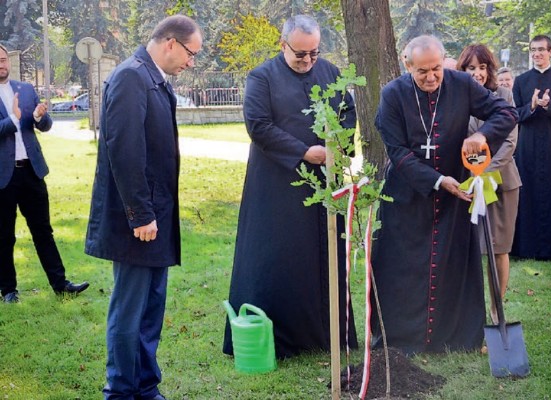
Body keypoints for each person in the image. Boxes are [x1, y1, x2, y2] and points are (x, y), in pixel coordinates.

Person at [371, 35, 518, 354]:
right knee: (405, 268)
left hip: (453, 201)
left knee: (450, 265)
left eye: (436, 68)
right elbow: (398, 153)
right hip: (407, 197)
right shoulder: (392, 95)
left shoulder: (461, 84)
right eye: (422, 71)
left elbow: (505, 115)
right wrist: (438, 181)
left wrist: (481, 134)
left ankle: (453, 337)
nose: (431, 77)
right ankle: (402, 337)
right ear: (407, 65)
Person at [223, 15, 357, 359]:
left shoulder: (331, 73)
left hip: (324, 181)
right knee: (277, 258)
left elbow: (347, 114)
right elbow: (258, 125)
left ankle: (324, 334)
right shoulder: (261, 77)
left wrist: (338, 145)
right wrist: (302, 152)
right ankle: (279, 337)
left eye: (314, 53)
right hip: (276, 185)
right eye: (301, 54)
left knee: (321, 257)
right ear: (283, 45)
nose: (309, 60)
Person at [85, 15, 202, 399]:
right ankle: (120, 390)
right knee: (130, 311)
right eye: (190, 54)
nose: (191, 63)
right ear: (171, 43)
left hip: (156, 217)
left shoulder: (154, 78)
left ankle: (145, 386)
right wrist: (141, 213)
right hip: (137, 220)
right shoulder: (130, 77)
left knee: (150, 310)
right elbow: (124, 149)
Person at [0, 44, 89, 304]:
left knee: (43, 231)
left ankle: (60, 284)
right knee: (4, 235)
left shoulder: (25, 89)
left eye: (3, 59)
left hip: (32, 171)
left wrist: (40, 117)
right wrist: (13, 119)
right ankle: (8, 290)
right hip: (3, 177)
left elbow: (45, 125)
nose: (1, 64)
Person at [457, 44, 521, 324]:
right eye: (471, 68)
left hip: (501, 182)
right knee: (467, 251)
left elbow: (509, 140)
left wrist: (485, 173)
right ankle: (469, 314)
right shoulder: (456, 97)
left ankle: (497, 312)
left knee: (498, 249)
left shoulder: (503, 94)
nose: (477, 74)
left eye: (482, 67)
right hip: (465, 185)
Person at [510, 35, 551, 260]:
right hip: (526, 145)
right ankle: (525, 247)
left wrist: (549, 106)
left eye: (540, 49)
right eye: (533, 50)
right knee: (526, 192)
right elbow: (514, 115)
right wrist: (532, 105)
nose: (536, 54)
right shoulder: (520, 81)